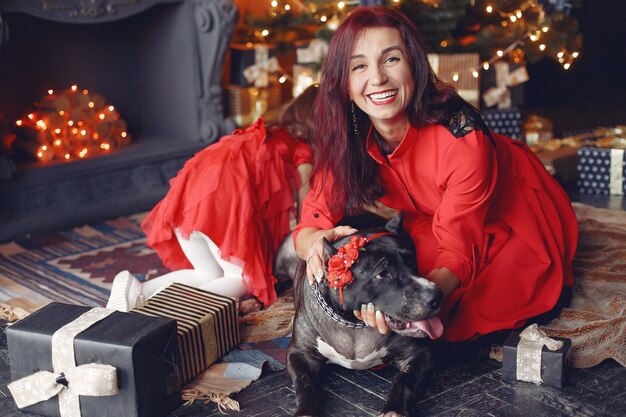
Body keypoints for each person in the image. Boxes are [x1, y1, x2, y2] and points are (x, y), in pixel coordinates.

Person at [294, 7, 578, 342]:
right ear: (345, 83)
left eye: (391, 59)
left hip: (511, 207)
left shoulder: (461, 139)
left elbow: (458, 251)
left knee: (455, 320)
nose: (377, 79)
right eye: (359, 66)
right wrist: (314, 243)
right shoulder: (348, 136)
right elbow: (310, 221)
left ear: (414, 64)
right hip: (433, 216)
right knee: (407, 310)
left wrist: (414, 304)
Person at [106, 84, 319, 314]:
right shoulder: (302, 149)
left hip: (190, 198)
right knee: (243, 280)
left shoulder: (266, 134)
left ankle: (140, 291)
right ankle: (165, 313)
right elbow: (305, 217)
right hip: (220, 205)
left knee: (209, 275)